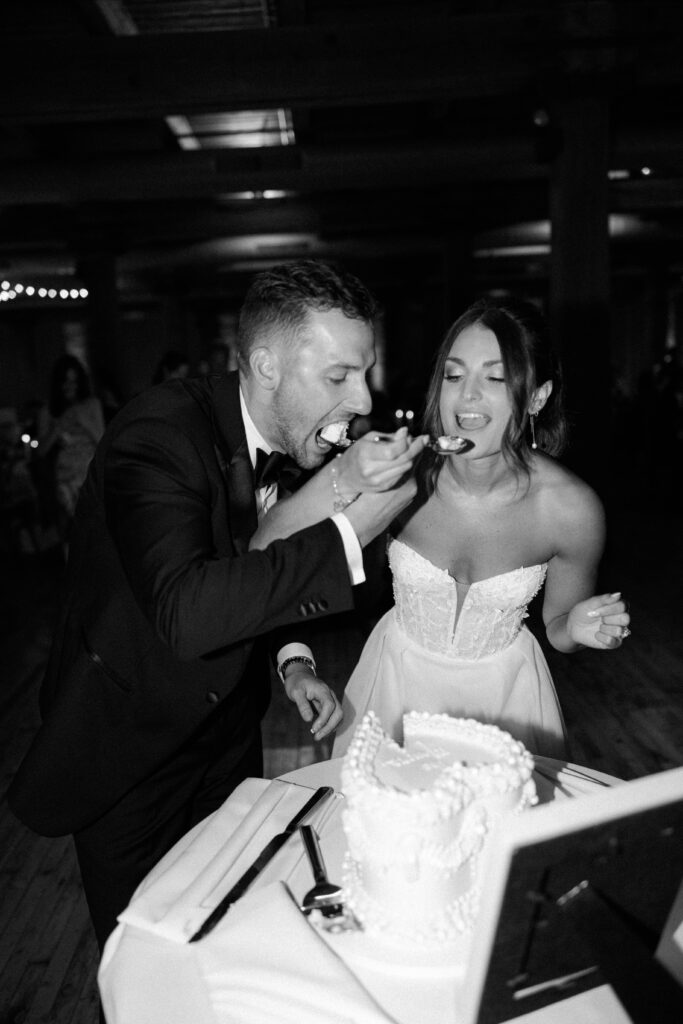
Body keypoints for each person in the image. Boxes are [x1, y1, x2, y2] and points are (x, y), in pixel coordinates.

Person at [7, 259, 425, 951]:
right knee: (141, 955)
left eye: (364, 372)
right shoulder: (155, 438)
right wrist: (351, 530)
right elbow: (187, 610)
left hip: (227, 737)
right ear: (265, 366)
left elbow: (254, 558)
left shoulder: (294, 436)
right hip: (128, 753)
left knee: (221, 933)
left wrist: (291, 660)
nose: (363, 398)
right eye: (338, 376)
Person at [252, 296, 630, 761]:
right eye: (454, 375)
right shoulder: (404, 474)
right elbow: (273, 550)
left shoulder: (571, 510)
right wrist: (295, 664)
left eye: (494, 377)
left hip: (507, 704)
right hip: (395, 691)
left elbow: (557, 625)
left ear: (537, 396)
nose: (467, 396)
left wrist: (574, 626)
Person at [37, 354, 105, 546]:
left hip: (90, 474)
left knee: (96, 526)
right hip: (66, 477)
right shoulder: (48, 410)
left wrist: (83, 421)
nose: (70, 387)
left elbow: (102, 440)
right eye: (66, 382)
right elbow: (41, 451)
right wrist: (58, 427)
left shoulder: (92, 404)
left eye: (74, 382)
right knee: (76, 527)